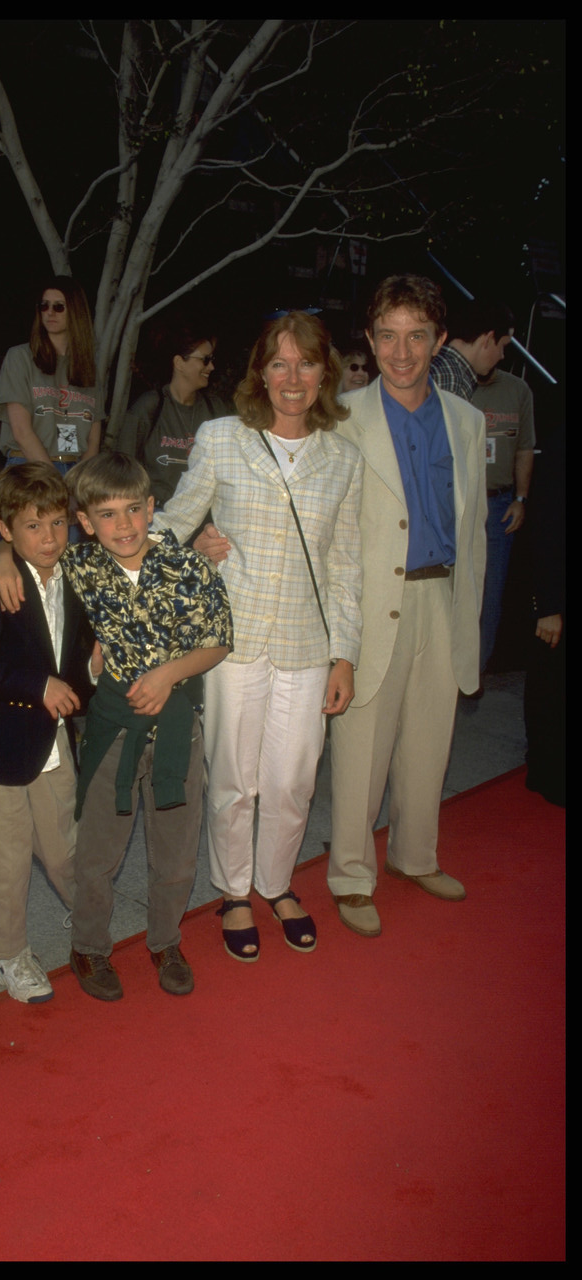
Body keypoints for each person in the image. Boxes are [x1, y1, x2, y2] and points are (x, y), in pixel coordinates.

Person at [155, 311, 363, 961]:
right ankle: (236, 891)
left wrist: (344, 656)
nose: (292, 377)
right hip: (234, 640)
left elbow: (345, 567)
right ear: (260, 374)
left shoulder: (343, 459)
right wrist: (192, 549)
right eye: (278, 363)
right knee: (234, 778)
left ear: (324, 372)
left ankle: (276, 883)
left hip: (306, 643)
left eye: (305, 363)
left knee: (293, 778)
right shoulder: (222, 438)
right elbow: (170, 524)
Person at [326, 274, 487, 937]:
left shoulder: (467, 420)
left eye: (416, 336)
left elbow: (472, 524)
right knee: (361, 748)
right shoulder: (338, 418)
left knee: (428, 741)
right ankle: (350, 875)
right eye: (387, 336)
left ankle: (415, 855)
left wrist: (471, 609)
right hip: (369, 606)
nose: (400, 352)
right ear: (368, 337)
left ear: (438, 340)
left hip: (441, 595)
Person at [63, 453, 232, 1000]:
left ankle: (165, 940)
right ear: (86, 521)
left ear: (152, 507)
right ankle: (88, 948)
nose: (124, 525)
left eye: (134, 509)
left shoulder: (189, 568)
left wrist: (167, 675)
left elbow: (219, 638)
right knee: (97, 851)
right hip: (112, 728)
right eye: (107, 514)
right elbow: (18, 552)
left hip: (177, 726)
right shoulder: (77, 567)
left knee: (178, 851)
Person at [0, 463, 96, 1003]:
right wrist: (36, 685)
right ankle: (8, 954)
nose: (49, 538)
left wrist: (89, 672)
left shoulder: (79, 574)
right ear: (5, 531)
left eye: (58, 524)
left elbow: (75, 665)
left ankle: (90, 918)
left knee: (66, 843)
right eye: (33, 527)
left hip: (53, 740)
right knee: (4, 855)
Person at [114, 322, 232, 507]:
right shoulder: (150, 406)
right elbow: (124, 466)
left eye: (212, 359)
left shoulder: (214, 409)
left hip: (200, 516)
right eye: (205, 359)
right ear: (179, 363)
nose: (211, 367)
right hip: (157, 512)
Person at [0, 276, 103, 475]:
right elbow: (21, 431)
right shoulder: (20, 357)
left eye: (59, 307)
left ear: (75, 311)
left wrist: (76, 483)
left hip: (75, 470)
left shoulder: (89, 369)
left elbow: (93, 441)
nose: (50, 312)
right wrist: (54, 481)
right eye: (44, 306)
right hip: (27, 466)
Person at [471, 365, 535, 674]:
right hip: (459, 504)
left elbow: (525, 448)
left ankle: (476, 672)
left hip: (499, 504)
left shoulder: (518, 389)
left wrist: (520, 498)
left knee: (491, 594)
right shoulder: (454, 381)